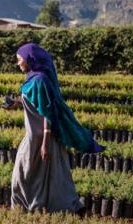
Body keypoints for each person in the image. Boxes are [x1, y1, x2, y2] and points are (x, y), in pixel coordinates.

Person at [8, 43, 105, 215]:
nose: (18, 64)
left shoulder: (40, 80)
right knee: (26, 174)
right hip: (32, 136)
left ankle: (51, 208)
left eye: (19, 60)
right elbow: (36, 103)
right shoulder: (33, 78)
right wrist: (16, 103)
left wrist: (45, 143)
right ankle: (29, 207)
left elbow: (48, 113)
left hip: (42, 138)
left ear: (30, 60)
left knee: (48, 176)